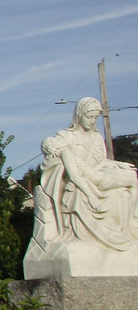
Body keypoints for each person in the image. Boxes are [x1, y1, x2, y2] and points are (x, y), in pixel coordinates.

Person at [38, 97, 138, 251]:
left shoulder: (96, 137)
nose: (92, 121)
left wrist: (119, 164)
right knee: (132, 180)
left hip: (99, 173)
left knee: (130, 178)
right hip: (94, 180)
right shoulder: (66, 141)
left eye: (95, 118)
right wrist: (91, 195)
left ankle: (131, 225)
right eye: (89, 117)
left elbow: (103, 161)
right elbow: (74, 175)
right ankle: (134, 221)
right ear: (79, 115)